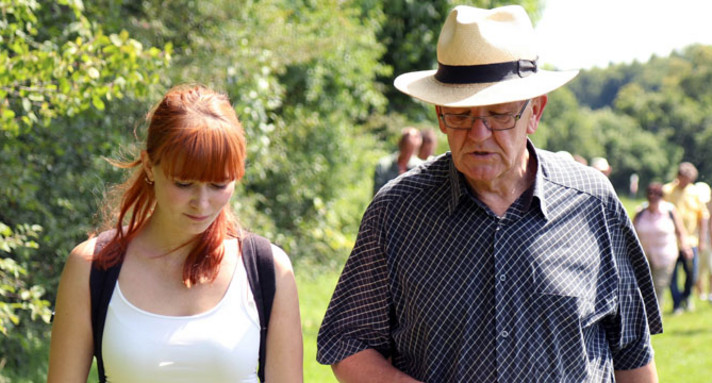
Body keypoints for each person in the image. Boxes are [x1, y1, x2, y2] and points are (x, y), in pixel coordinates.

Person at [317, 5, 661, 383]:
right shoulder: (397, 210)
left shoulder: (593, 202)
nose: (478, 134)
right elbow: (347, 341)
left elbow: (632, 349)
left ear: (534, 113)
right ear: (439, 115)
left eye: (499, 114)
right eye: (461, 116)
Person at [48, 84, 303, 382]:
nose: (203, 203)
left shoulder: (268, 270)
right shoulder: (92, 267)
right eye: (184, 184)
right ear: (148, 166)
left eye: (219, 185)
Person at [633, 182, 692, 309]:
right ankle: (645, 314)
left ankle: (655, 315)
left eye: (656, 195)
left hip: (665, 254)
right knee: (644, 286)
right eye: (650, 195)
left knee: (658, 285)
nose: (653, 197)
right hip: (644, 256)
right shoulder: (641, 211)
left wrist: (685, 247)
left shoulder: (669, 211)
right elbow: (632, 232)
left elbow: (680, 231)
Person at [663, 162, 709, 313]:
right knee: (672, 275)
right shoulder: (667, 190)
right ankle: (676, 303)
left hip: (691, 241)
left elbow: (703, 217)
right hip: (670, 241)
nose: (686, 182)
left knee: (692, 273)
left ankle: (686, 296)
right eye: (684, 178)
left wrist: (702, 239)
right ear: (679, 176)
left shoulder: (694, 193)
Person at [372, 127, 424, 195]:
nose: (407, 153)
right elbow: (377, 193)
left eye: (411, 149)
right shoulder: (383, 165)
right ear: (400, 144)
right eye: (406, 147)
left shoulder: (420, 167)